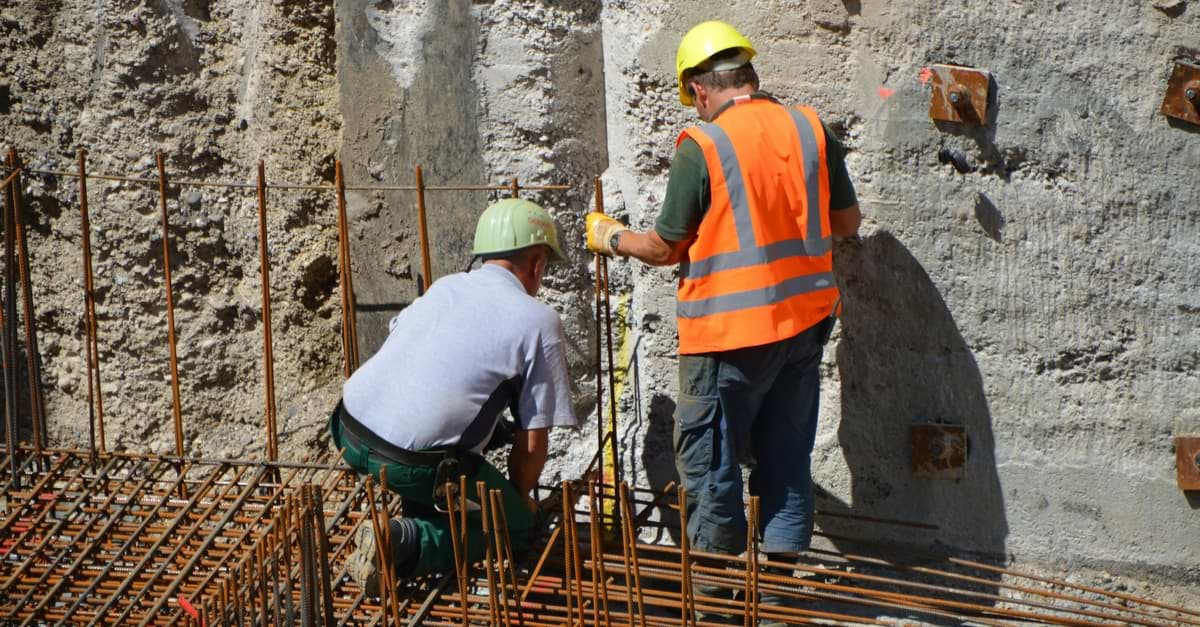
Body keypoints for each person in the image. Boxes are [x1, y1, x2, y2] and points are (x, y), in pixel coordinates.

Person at [586, 20, 862, 624]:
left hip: (727, 341)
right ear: (749, 77)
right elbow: (845, 224)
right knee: (786, 460)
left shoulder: (704, 144)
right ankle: (781, 599)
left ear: (698, 88)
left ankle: (715, 607)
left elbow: (665, 248)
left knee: (710, 470)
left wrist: (611, 238)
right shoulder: (809, 129)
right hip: (801, 331)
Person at [333, 197, 579, 594]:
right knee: (515, 528)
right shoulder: (539, 321)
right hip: (408, 463)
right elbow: (532, 443)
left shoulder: (445, 287)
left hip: (347, 429)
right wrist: (517, 504)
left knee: (447, 466)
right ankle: (404, 543)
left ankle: (414, 517)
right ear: (537, 263)